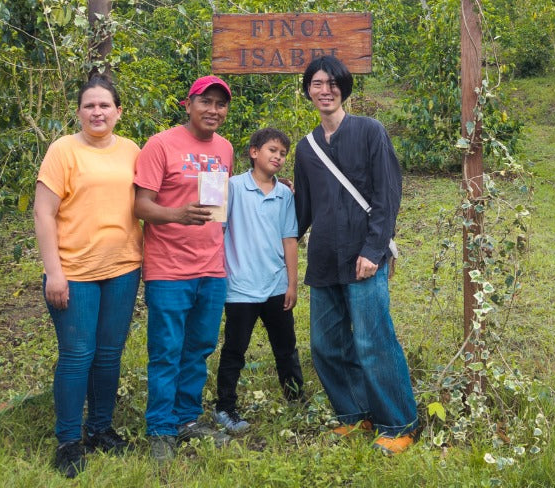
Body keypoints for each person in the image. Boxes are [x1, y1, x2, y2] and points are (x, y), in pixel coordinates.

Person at [293, 55, 420, 455]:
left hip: (364, 257)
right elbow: (302, 211)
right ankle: (355, 414)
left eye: (332, 83)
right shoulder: (306, 147)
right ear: (308, 90)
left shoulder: (370, 131)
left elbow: (387, 195)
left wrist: (374, 250)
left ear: (344, 89)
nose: (325, 90)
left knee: (372, 341)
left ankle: (399, 423)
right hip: (324, 259)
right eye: (317, 83)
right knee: (325, 344)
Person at [34, 74, 143, 478]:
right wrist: (53, 274)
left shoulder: (132, 150)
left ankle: (99, 429)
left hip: (123, 268)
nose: (97, 112)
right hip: (74, 272)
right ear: (78, 111)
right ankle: (68, 440)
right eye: (89, 106)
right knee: (78, 355)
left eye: (104, 105)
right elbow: (43, 213)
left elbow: (156, 196)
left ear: (118, 110)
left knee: (110, 354)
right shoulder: (63, 151)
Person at [133, 75, 235, 461]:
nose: (213, 110)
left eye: (220, 104)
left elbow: (218, 207)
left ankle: (187, 419)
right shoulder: (160, 145)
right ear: (188, 104)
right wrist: (178, 214)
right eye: (205, 102)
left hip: (211, 267)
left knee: (199, 348)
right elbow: (141, 205)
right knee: (166, 350)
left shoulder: (224, 149)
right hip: (168, 268)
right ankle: (160, 428)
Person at [214, 127, 304, 434]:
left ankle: (295, 399)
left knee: (286, 347)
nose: (277, 157)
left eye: (282, 154)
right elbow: (215, 229)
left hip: (276, 285)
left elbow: (289, 239)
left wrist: (292, 284)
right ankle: (225, 407)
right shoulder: (234, 187)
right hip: (239, 286)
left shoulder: (283, 195)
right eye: (272, 151)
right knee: (234, 349)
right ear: (254, 152)